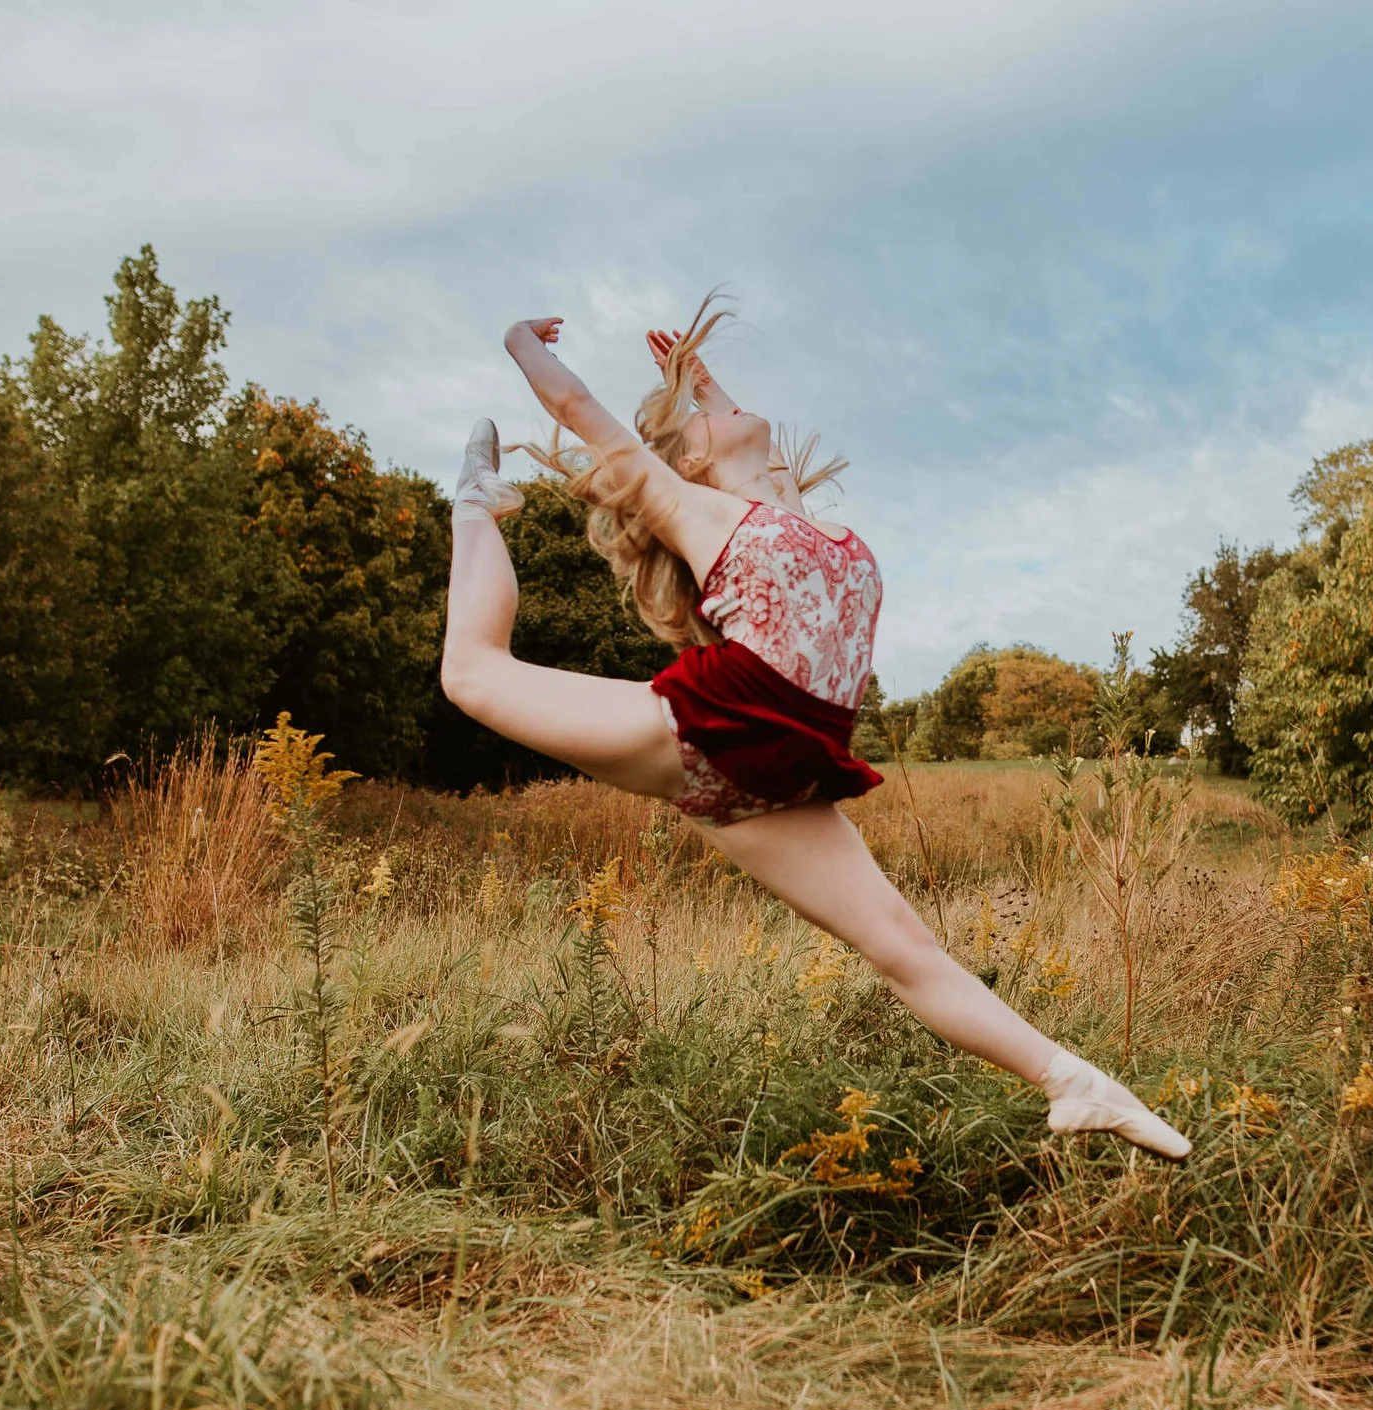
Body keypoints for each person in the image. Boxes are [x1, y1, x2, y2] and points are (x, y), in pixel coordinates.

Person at [438, 301, 1190, 1160]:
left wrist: (697, 382)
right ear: (689, 455)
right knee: (470, 673)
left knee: (904, 947)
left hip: (784, 762)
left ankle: (1077, 1084)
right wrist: (518, 343)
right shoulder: (691, 506)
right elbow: (576, 406)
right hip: (719, 718)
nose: (728, 407)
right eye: (708, 413)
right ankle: (475, 503)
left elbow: (750, 443)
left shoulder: (785, 507)